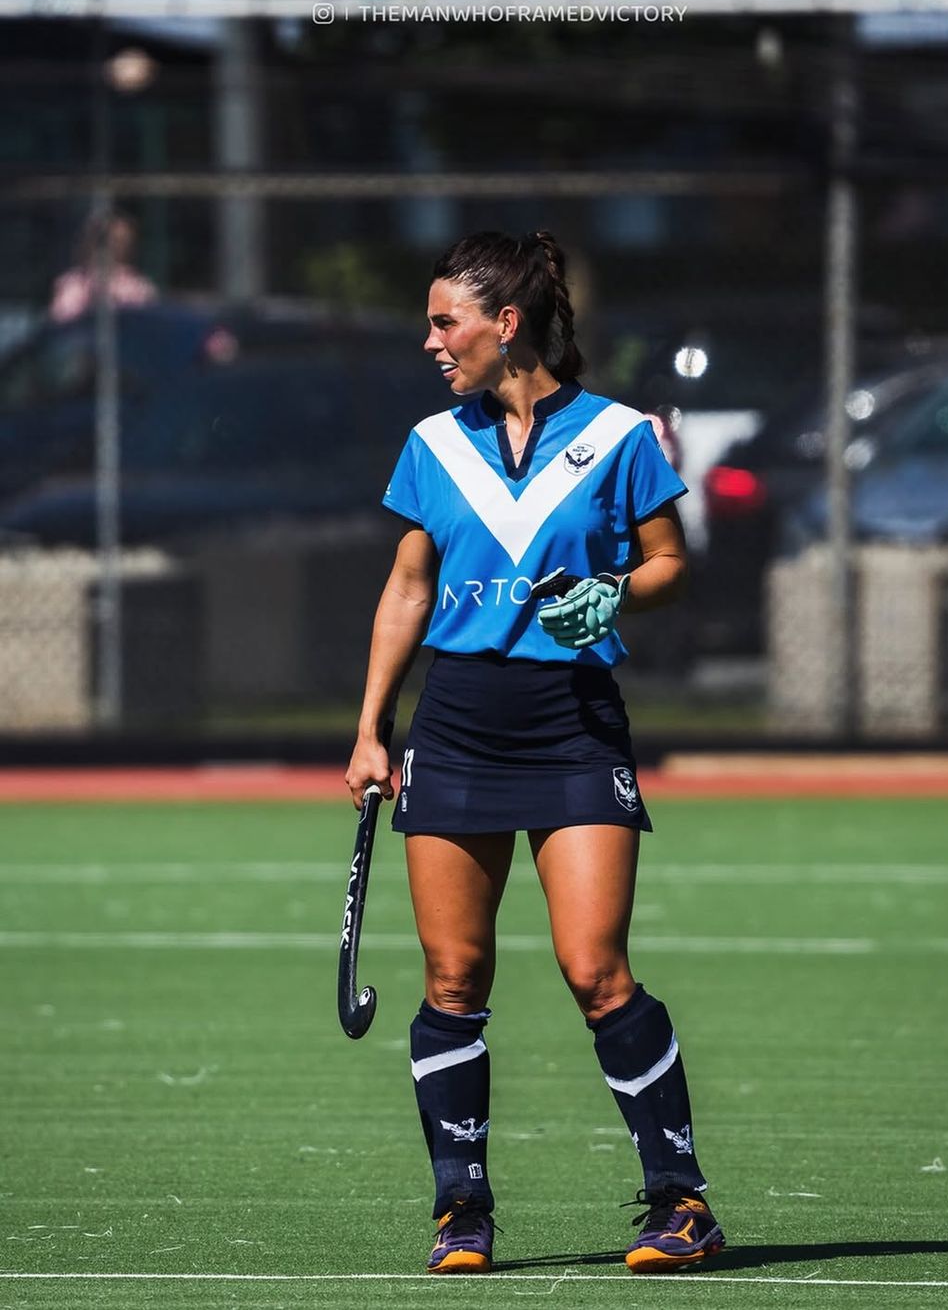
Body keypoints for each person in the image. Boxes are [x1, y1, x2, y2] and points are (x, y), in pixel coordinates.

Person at [345, 230, 725, 1277]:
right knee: (453, 976)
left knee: (596, 970)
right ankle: (460, 1212)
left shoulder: (618, 436)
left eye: (444, 320)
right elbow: (409, 588)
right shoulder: (434, 445)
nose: (431, 340)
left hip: (571, 722)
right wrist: (372, 726)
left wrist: (620, 591)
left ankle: (679, 1203)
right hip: (457, 721)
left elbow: (668, 564)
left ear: (504, 323)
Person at [49, 210, 158, 323]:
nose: (118, 247)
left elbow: (144, 322)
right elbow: (62, 322)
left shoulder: (139, 287)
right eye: (113, 241)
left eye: (123, 241)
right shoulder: (72, 284)